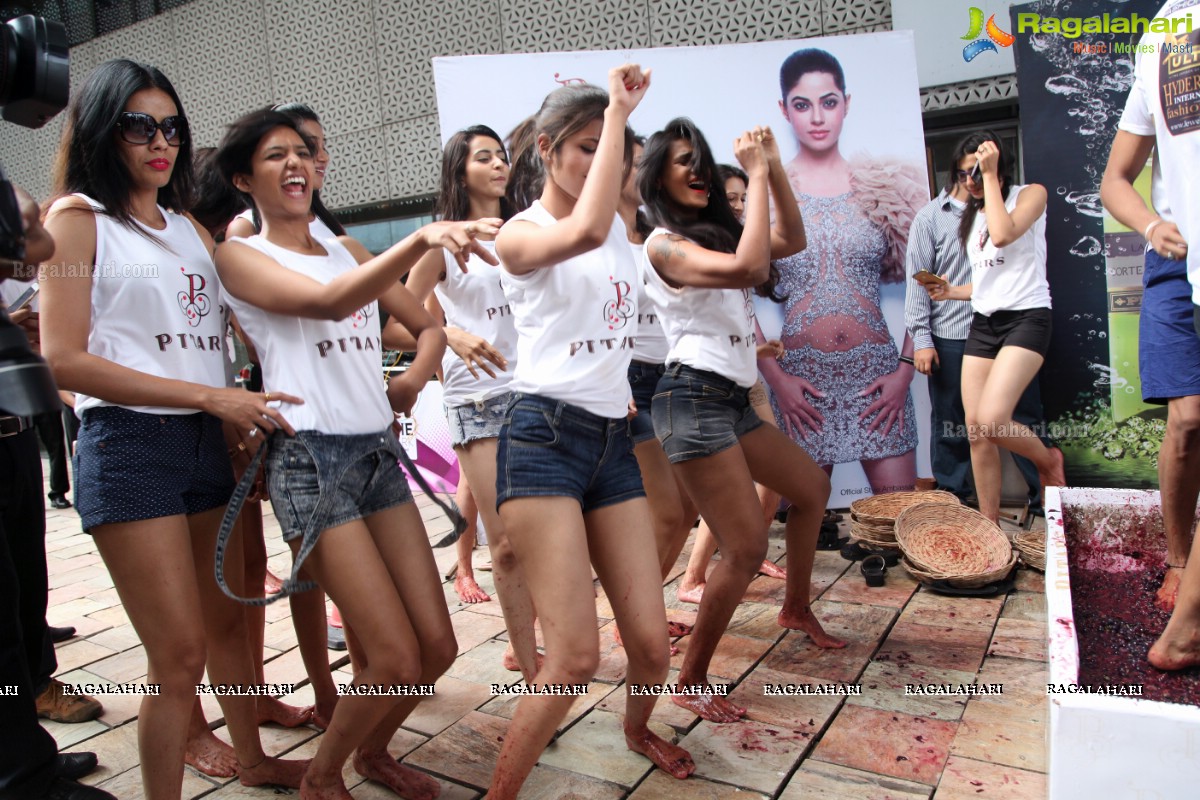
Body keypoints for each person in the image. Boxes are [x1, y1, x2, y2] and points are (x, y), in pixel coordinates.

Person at [39, 60, 309, 799]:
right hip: (130, 446)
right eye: (139, 125)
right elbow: (63, 359)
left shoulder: (190, 227)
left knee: (231, 632)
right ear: (102, 130)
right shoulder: (76, 219)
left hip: (206, 441)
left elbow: (236, 326)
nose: (160, 141)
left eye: (171, 126)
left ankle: (251, 760)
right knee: (178, 655)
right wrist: (210, 397)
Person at [213, 107, 486, 800]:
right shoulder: (239, 256)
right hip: (310, 462)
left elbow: (428, 326)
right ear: (244, 177)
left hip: (375, 455)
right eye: (275, 156)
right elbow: (333, 305)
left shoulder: (350, 250)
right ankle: (323, 776)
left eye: (302, 152)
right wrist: (424, 234)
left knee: (438, 648)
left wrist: (410, 382)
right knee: (392, 655)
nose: (296, 164)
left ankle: (374, 753)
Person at [485, 67, 694, 798]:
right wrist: (616, 114)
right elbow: (576, 230)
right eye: (584, 146)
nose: (603, 160)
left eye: (608, 150)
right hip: (543, 439)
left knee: (650, 648)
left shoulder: (622, 227)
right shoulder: (520, 234)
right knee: (573, 658)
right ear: (546, 149)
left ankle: (637, 729)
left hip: (612, 440)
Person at [640, 117, 844, 725]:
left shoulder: (717, 235)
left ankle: (796, 607)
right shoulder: (662, 244)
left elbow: (794, 240)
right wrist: (753, 176)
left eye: (702, 158)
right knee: (746, 545)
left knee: (811, 489)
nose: (698, 169)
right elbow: (754, 267)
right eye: (683, 161)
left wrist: (773, 166)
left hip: (729, 396)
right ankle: (691, 677)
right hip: (690, 400)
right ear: (656, 174)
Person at [388, 123, 541, 679]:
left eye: (502, 155)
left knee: (544, 536)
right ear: (461, 171)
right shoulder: (444, 241)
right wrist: (447, 333)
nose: (499, 164)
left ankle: (535, 638)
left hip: (538, 393)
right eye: (484, 157)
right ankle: (526, 665)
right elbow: (393, 324)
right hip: (477, 399)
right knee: (504, 544)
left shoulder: (527, 229)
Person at [760, 47, 925, 495]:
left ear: (846, 104)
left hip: (877, 382)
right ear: (784, 110)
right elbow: (732, 298)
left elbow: (925, 285)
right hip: (801, 387)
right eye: (802, 104)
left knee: (899, 523)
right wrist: (777, 382)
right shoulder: (766, 198)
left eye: (829, 102)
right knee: (800, 529)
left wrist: (905, 370)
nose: (817, 117)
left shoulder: (886, 188)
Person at [0, 183, 114, 800]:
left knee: (21, 591)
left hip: (11, 430)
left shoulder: (38, 217)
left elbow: (39, 244)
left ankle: (27, 750)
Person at [1100, 0, 1200, 671]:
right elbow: (1115, 179)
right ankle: (1179, 556)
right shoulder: (1162, 31)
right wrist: (1149, 226)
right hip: (1175, 260)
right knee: (1187, 421)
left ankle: (1189, 618)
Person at [923, 131, 1065, 524]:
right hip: (985, 323)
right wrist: (952, 292)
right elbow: (988, 281)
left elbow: (1003, 235)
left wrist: (990, 175)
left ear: (997, 165)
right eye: (962, 173)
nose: (969, 180)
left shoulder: (1030, 195)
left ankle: (1048, 459)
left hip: (1028, 319)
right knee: (976, 431)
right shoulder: (975, 215)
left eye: (976, 169)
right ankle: (989, 526)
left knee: (992, 418)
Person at [676, 162, 787, 605]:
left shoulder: (740, 243)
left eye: (746, 197)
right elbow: (688, 324)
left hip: (747, 374)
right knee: (732, 488)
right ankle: (692, 577)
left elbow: (731, 316)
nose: (740, 205)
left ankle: (747, 551)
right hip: (706, 386)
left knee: (774, 479)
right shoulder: (689, 247)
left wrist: (754, 350)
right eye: (733, 198)